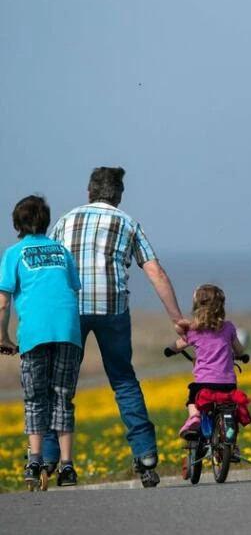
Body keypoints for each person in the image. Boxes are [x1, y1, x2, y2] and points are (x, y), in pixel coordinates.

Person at [43, 167, 189, 488]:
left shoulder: (64, 221)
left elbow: (48, 271)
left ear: (89, 192)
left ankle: (51, 458)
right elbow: (156, 273)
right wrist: (177, 319)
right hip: (113, 309)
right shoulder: (127, 223)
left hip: (71, 310)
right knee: (123, 380)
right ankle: (146, 455)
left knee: (61, 385)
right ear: (119, 195)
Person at [0, 196, 83, 488]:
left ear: (16, 224)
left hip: (34, 333)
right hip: (68, 331)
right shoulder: (62, 251)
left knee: (35, 398)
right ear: (46, 221)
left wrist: (3, 337)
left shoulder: (13, 253)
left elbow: (2, 302)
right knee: (62, 396)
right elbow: (72, 289)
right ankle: (67, 466)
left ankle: (34, 461)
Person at [166, 284, 248, 440]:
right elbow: (239, 350)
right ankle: (232, 445)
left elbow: (177, 346)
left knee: (192, 399)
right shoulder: (228, 327)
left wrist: (169, 350)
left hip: (204, 384)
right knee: (231, 412)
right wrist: (242, 355)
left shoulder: (193, 330)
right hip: (228, 385)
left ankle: (194, 417)